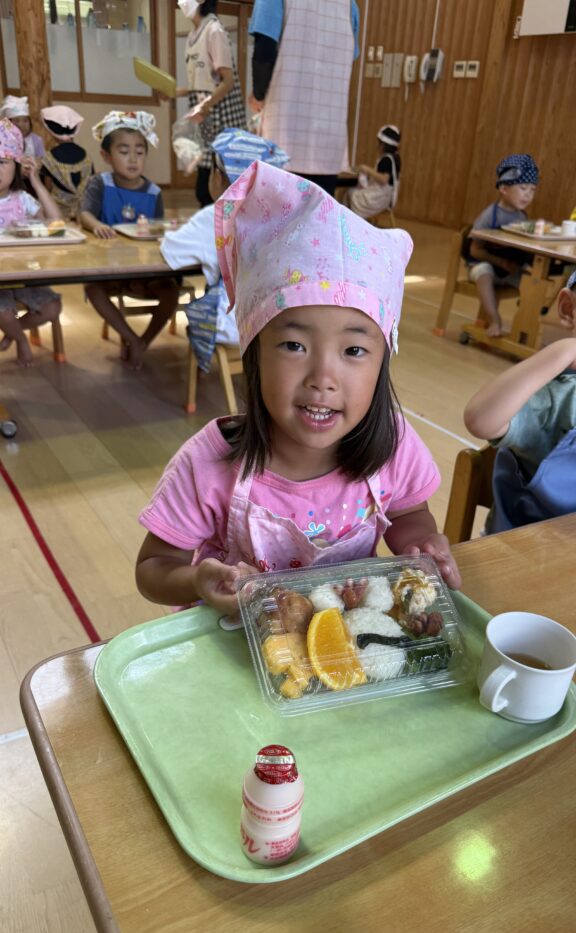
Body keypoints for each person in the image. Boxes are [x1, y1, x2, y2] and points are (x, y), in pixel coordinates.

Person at [136, 161, 461, 614]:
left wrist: (420, 544)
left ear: (383, 362)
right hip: (233, 641)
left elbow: (408, 514)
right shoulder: (208, 463)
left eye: (354, 351)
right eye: (294, 345)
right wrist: (196, 580)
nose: (322, 377)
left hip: (347, 641)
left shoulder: (393, 443)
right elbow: (153, 569)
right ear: (254, 352)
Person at [161, 127, 289, 373]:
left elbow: (171, 253)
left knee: (200, 311)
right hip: (277, 324)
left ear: (219, 177)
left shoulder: (216, 217)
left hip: (233, 326)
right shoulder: (282, 218)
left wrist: (168, 234)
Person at [463, 270, 576, 534]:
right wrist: (562, 352)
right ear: (568, 309)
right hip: (526, 553)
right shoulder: (556, 401)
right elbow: (480, 419)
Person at [79, 111, 179, 369]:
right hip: (109, 268)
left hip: (144, 270)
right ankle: (130, 337)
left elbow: (157, 229)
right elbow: (84, 214)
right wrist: (97, 225)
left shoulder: (154, 192)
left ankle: (143, 341)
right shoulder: (100, 184)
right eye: (124, 151)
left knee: (171, 292)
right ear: (106, 156)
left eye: (140, 152)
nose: (133, 159)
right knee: (92, 289)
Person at [248, 0, 360, 196]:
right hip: (329, 138)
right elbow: (349, 57)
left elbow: (264, 51)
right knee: (319, 211)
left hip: (284, 131)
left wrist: (258, 94)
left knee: (277, 211)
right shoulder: (350, 5)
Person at [172, 0, 246, 208]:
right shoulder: (193, 35)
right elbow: (203, 83)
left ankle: (222, 226)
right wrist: (176, 92)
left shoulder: (214, 31)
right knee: (205, 188)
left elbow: (227, 81)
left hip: (221, 118)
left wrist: (205, 105)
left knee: (215, 188)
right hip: (206, 117)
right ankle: (213, 225)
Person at [0, 118, 62, 368]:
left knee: (53, 308)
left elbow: (56, 224)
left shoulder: (22, 199)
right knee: (2, 312)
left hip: (25, 274)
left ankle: (13, 331)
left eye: (2, 162)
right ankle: (20, 339)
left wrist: (35, 180)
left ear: (16, 164)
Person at [467, 153, 539, 339]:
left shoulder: (523, 218)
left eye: (532, 190)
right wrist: (500, 262)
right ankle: (494, 319)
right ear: (504, 189)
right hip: (484, 265)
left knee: (534, 283)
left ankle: (525, 327)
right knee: (483, 273)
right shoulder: (489, 216)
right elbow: (474, 250)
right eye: (523, 188)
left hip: (510, 270)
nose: (528, 194)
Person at [39, 105, 92, 220]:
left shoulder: (49, 158)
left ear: (51, 131)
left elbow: (47, 189)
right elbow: (90, 185)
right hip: (84, 216)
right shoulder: (86, 156)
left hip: (57, 215)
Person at [342, 124, 401, 219]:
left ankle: (350, 220)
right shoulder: (395, 158)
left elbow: (384, 179)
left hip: (380, 198)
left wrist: (366, 169)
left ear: (383, 145)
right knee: (353, 191)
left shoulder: (386, 159)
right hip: (386, 198)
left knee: (350, 193)